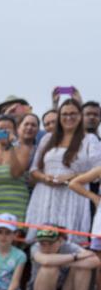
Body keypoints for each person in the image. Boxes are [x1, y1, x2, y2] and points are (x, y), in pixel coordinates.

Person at [27, 100, 101, 242]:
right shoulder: (47, 138)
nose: (68, 118)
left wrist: (71, 177)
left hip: (74, 196)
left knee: (70, 243)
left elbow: (98, 172)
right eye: (64, 114)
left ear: (80, 116)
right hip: (46, 195)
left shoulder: (90, 139)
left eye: (73, 114)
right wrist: (45, 178)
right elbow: (34, 169)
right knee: (42, 242)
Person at [28, 227, 98, 290]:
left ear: (60, 240)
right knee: (49, 269)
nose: (46, 247)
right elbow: (45, 261)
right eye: (43, 243)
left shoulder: (68, 246)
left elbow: (95, 261)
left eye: (50, 243)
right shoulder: (35, 247)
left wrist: (65, 262)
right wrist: (75, 257)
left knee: (83, 269)